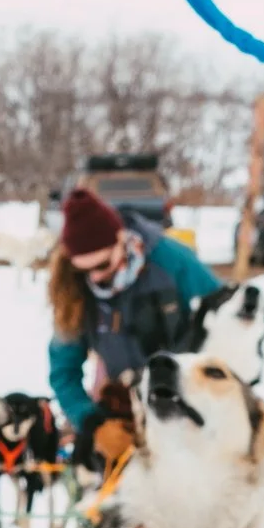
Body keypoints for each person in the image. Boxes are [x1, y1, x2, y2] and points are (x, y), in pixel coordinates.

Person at [46, 185, 220, 459]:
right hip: (123, 405)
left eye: (102, 266)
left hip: (189, 405)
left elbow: (225, 321)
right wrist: (92, 422)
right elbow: (63, 370)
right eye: (84, 271)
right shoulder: (74, 288)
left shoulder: (173, 262)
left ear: (120, 239)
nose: (94, 278)